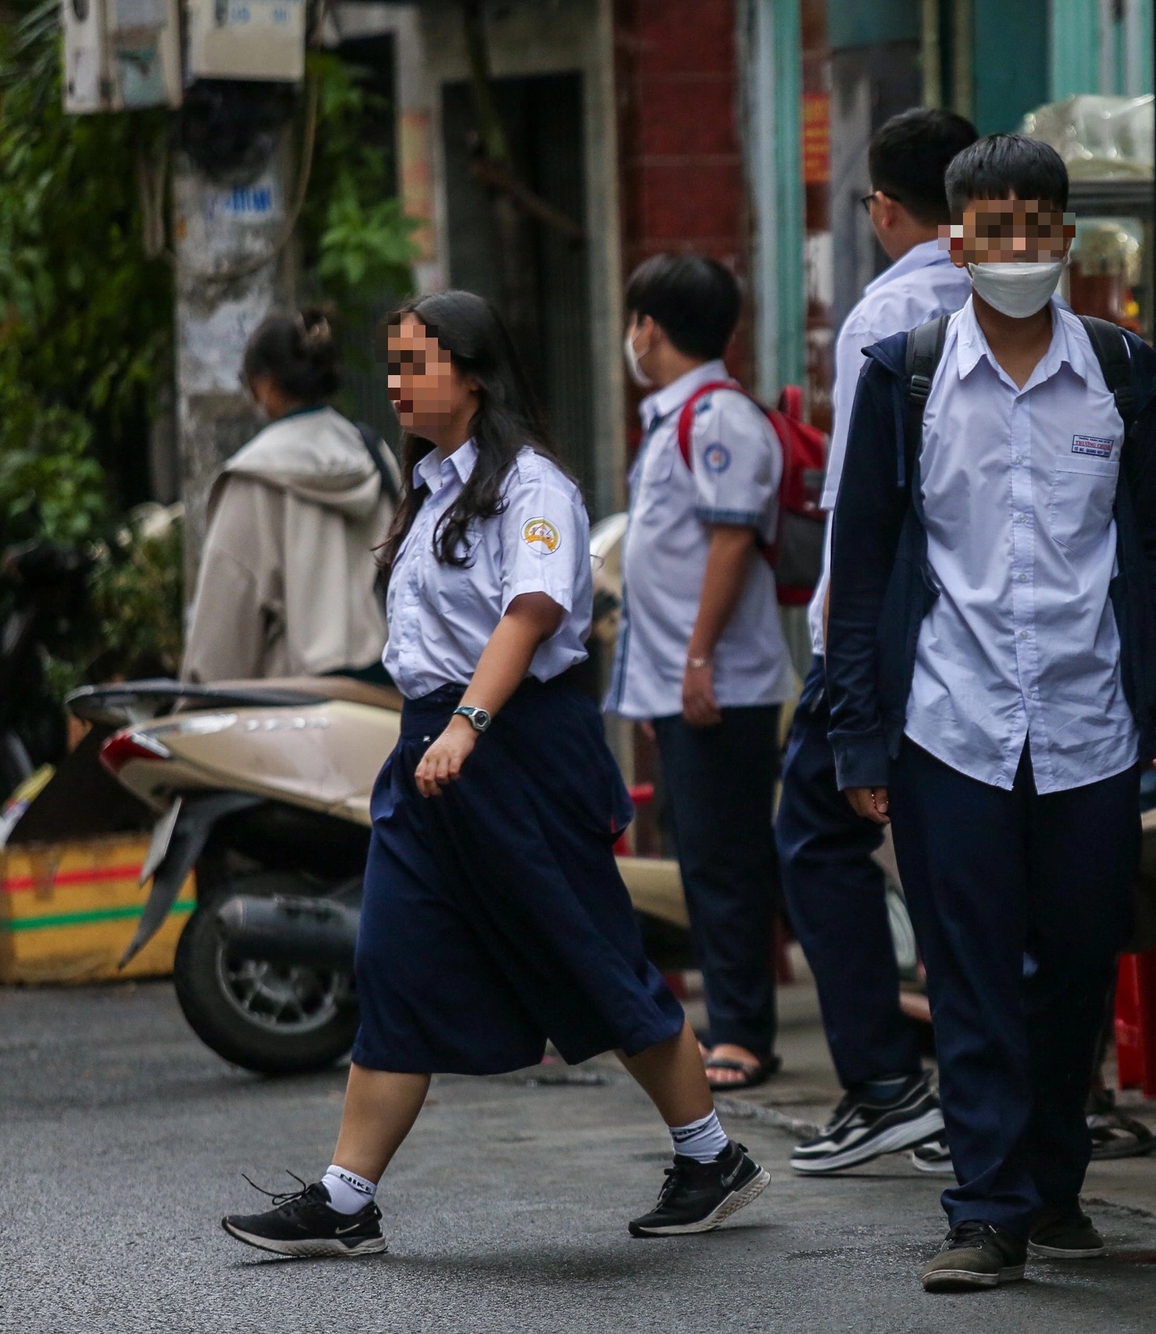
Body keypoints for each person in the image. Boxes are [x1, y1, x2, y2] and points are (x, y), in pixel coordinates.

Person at [219, 291, 765, 1258]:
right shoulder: (427, 484)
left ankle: (710, 1153)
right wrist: (442, 728)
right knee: (394, 955)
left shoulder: (532, 486)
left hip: (515, 749)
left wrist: (471, 721)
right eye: (389, 365)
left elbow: (532, 610)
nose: (396, 384)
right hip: (431, 752)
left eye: (416, 364)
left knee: (586, 955)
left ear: (473, 374)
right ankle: (347, 1202)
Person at [827, 134, 1156, 1291]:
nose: (1017, 246)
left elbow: (1153, 546)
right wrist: (857, 728)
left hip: (1090, 722)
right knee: (973, 967)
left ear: (1067, 239)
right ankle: (987, 1208)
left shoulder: (1125, 374)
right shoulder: (905, 375)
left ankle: (1051, 1176)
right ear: (956, 242)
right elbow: (864, 557)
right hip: (952, 722)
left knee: (1079, 958)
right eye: (993, 228)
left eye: (1036, 225)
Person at [779, 107, 977, 1178]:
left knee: (813, 832)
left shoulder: (887, 313)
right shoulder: (1030, 305)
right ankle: (1002, 1093)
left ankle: (887, 1079)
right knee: (973, 856)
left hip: (889, 628)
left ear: (883, 209)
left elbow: (859, 505)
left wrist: (834, 646)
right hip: (997, 627)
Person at [607, 255, 794, 1091]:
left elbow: (730, 543)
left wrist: (695, 661)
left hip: (723, 684)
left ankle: (744, 1033)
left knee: (727, 865)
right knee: (707, 860)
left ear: (650, 327)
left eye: (635, 321)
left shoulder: (718, 419)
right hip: (687, 686)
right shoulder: (676, 418)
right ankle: (734, 1020)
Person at [181, 310, 396, 685]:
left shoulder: (253, 476)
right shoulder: (375, 454)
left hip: (296, 708)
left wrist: (194, 704)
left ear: (263, 385)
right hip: (389, 697)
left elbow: (225, 623)